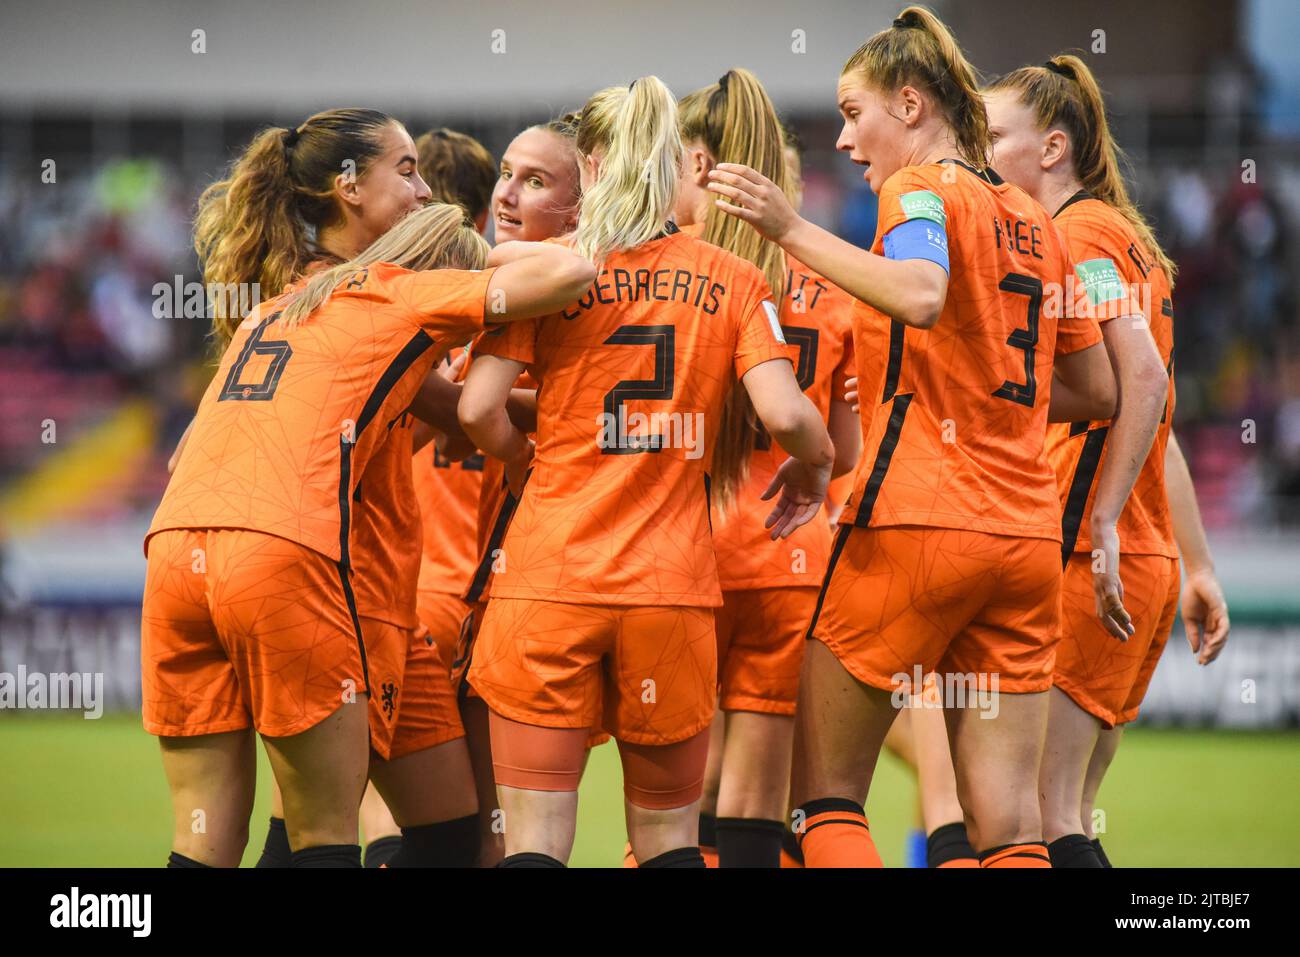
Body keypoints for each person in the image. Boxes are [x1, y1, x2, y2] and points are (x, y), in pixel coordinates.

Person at [707, 5, 1116, 867]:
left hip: (915, 523)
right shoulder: (1036, 220)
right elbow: (1095, 388)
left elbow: (923, 293)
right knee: (1010, 823)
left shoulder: (920, 188)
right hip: (1026, 541)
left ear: (908, 102)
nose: (847, 143)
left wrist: (788, 227)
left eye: (854, 114)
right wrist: (989, 393)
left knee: (823, 795)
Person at [143, 200, 596, 868]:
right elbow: (571, 273)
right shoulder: (402, 294)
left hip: (178, 549)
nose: (459, 352)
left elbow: (460, 409)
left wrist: (594, 419)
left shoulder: (291, 305)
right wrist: (490, 255)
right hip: (298, 563)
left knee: (209, 837)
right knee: (322, 830)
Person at [458, 76, 835, 868]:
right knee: (669, 843)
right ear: (675, 168)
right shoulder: (734, 279)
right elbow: (791, 417)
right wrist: (815, 467)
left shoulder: (549, 269)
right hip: (670, 591)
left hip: (549, 579)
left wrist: (542, 455)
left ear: (592, 166)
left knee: (532, 846)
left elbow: (474, 410)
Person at [985, 53, 1230, 866]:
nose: (980, 153)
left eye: (994, 135)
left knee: (1038, 815)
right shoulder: (1128, 241)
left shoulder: (1077, 236)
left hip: (1087, 554)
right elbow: (1154, 415)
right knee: (1072, 814)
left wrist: (1099, 522)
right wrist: (1195, 564)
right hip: (1137, 557)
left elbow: (1145, 379)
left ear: (1051, 149)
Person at [674, 69, 859, 867]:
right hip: (790, 554)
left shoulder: (677, 276)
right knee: (757, 806)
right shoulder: (839, 286)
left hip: (683, 549)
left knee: (671, 813)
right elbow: (843, 451)